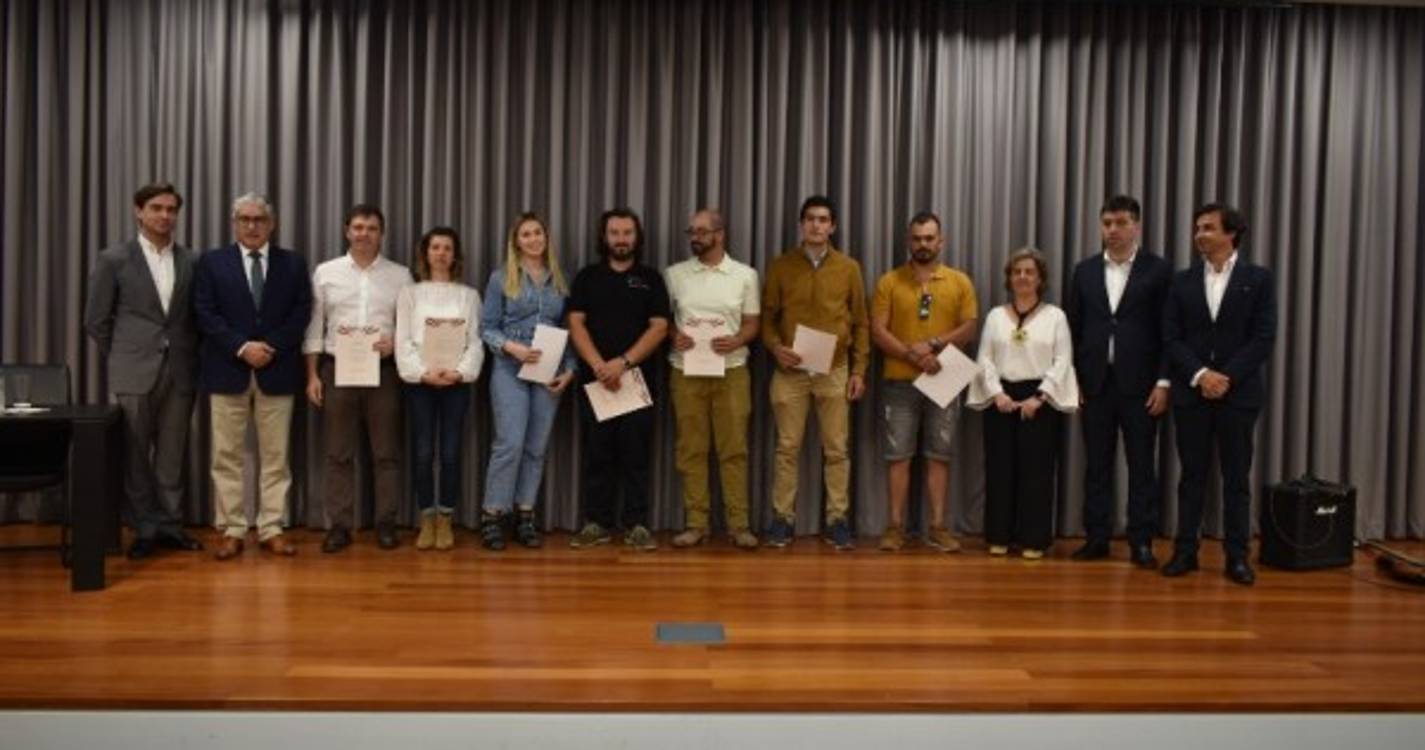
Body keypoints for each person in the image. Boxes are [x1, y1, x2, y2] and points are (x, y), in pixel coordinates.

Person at [83, 182, 203, 560]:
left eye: (171, 209)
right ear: (139, 211)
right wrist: (124, 353)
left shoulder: (191, 260)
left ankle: (170, 525)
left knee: (172, 453)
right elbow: (96, 320)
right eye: (156, 208)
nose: (165, 216)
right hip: (133, 369)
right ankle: (144, 528)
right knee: (135, 454)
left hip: (181, 369)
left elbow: (195, 318)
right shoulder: (114, 258)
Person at [1162, 202, 1277, 586]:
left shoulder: (1258, 279)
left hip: (1238, 395)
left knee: (1236, 478)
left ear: (1232, 233)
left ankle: (1237, 557)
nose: (1199, 235)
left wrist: (1224, 377)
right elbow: (1171, 337)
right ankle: (1185, 552)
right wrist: (1200, 375)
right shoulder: (1182, 281)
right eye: (1197, 228)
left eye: (1208, 228)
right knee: (1191, 476)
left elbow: (1263, 338)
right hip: (1192, 394)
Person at [192, 192, 312, 559]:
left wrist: (269, 347)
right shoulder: (213, 263)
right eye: (244, 219)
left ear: (271, 224)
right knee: (226, 456)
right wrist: (243, 348)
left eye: (259, 219)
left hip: (277, 371)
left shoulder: (292, 263)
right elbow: (204, 312)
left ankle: (272, 527)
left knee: (276, 456)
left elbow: (302, 311)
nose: (252, 226)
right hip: (227, 371)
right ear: (234, 223)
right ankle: (232, 528)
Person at [1065, 195, 1173, 569]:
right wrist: (1074, 380)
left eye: (1121, 223)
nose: (1112, 230)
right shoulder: (1085, 271)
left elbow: (1168, 333)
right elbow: (1073, 330)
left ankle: (1141, 541)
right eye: (1107, 223)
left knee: (1142, 466)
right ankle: (1097, 537)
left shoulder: (1158, 271)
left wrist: (1163, 382)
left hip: (1142, 387)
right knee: (1096, 465)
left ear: (1137, 226)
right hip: (1095, 384)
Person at [761, 195, 870, 550]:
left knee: (837, 449)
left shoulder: (849, 267)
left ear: (833, 226)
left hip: (834, 370)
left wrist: (859, 370)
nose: (816, 225)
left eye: (823, 219)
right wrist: (776, 348)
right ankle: (782, 519)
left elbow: (862, 323)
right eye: (810, 219)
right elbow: (767, 319)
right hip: (791, 371)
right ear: (801, 224)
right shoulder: (781, 266)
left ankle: (836, 519)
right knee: (787, 448)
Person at [303, 204, 412, 553]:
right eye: (359, 227)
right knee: (338, 453)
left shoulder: (401, 275)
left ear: (382, 233)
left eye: (372, 228)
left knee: (386, 454)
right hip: (337, 370)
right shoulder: (325, 273)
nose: (364, 234)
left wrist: (394, 343)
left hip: (384, 372)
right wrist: (312, 376)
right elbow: (314, 327)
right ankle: (339, 525)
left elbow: (410, 327)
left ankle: (386, 523)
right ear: (347, 231)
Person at [869, 212, 978, 552]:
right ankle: (894, 527)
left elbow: (970, 326)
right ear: (908, 241)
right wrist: (913, 355)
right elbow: (877, 330)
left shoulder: (960, 281)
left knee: (939, 455)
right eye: (917, 238)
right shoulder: (889, 281)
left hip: (945, 378)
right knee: (898, 456)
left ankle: (938, 527)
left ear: (940, 241)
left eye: (930, 238)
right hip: (899, 382)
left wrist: (933, 346)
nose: (923, 244)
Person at [566, 208, 670, 551]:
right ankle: (597, 522)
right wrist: (599, 365)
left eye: (627, 233)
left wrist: (622, 363)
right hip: (596, 381)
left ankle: (637, 524)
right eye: (615, 233)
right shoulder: (587, 277)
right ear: (604, 237)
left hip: (636, 381)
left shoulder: (651, 278)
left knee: (636, 453)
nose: (621, 239)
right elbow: (576, 323)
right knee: (598, 452)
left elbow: (660, 327)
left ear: (637, 237)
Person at [967, 248, 1079, 559]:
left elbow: (1063, 360)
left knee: (1037, 471)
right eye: (1017, 272)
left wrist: (1040, 396)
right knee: (1000, 469)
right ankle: (999, 535)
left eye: (1029, 272)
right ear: (1009, 278)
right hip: (1000, 397)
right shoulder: (995, 316)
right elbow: (985, 359)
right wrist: (996, 393)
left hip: (1039, 400)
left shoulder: (1056, 316)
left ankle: (1033, 538)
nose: (1023, 277)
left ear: (1040, 278)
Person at [479, 212, 577, 551]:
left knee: (536, 447)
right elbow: (486, 327)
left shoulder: (560, 281)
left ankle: (524, 514)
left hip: (548, 369)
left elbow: (569, 331)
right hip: (510, 367)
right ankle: (493, 515)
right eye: (526, 235)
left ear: (546, 238)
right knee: (510, 442)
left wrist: (569, 370)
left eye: (538, 233)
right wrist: (512, 348)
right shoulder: (500, 278)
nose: (533, 239)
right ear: (516, 242)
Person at [664, 209, 761, 550]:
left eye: (702, 231)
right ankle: (696, 523)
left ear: (720, 235)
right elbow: (666, 322)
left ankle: (739, 525)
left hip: (732, 371)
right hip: (685, 372)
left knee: (733, 449)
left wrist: (737, 340)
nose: (695, 236)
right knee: (691, 449)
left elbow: (752, 323)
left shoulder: (745, 275)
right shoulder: (674, 274)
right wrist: (675, 335)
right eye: (692, 230)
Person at [396, 227, 484, 551]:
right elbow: (402, 340)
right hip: (421, 383)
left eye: (447, 248)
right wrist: (422, 373)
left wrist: (459, 373)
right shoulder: (410, 294)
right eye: (435, 247)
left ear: (455, 255)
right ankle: (426, 518)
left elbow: (475, 341)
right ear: (426, 253)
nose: (441, 253)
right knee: (422, 453)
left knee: (449, 454)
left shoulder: (469, 296)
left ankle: (445, 518)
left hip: (455, 384)